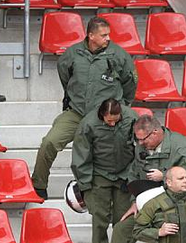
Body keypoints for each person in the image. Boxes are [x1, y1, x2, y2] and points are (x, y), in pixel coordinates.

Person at [31, 15, 136, 197]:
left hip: (103, 116)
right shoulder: (72, 54)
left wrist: (118, 107)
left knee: (118, 147)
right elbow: (65, 76)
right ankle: (38, 184)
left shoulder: (119, 55)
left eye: (108, 34)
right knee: (49, 142)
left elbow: (130, 83)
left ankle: (123, 183)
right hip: (77, 112)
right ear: (91, 36)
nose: (108, 38)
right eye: (103, 35)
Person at [110, 114, 186, 243]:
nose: (140, 143)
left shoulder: (180, 147)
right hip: (148, 202)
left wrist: (165, 177)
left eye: (144, 139)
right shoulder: (141, 146)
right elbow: (134, 174)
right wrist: (135, 201)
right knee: (121, 229)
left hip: (175, 205)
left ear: (155, 133)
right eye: (138, 139)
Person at [71, 98, 138, 243]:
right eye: (109, 121)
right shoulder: (88, 124)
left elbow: (140, 148)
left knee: (123, 220)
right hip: (99, 174)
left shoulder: (132, 118)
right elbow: (81, 155)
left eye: (116, 120)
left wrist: (134, 177)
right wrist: (85, 185)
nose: (113, 124)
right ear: (102, 115)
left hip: (124, 175)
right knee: (99, 219)